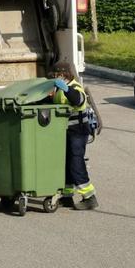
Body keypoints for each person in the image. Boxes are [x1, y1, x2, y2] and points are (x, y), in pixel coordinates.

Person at [50, 61, 98, 210]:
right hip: (67, 132)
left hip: (78, 131)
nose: (56, 77)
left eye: (59, 74)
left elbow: (79, 100)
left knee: (76, 163)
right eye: (55, 74)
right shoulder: (59, 89)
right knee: (66, 162)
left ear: (65, 74)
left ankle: (89, 197)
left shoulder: (74, 87)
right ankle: (67, 196)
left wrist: (66, 89)